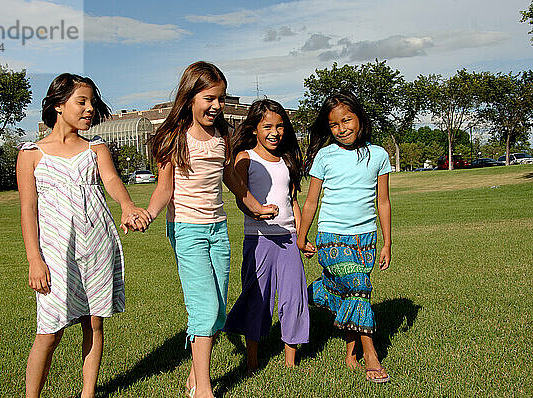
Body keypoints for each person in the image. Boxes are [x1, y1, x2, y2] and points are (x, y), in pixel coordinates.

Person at [143, 61, 278, 398]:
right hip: (187, 230)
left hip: (217, 230)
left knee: (216, 308)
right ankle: (203, 389)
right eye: (210, 98)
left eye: (221, 98)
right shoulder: (173, 137)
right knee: (204, 309)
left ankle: (193, 377)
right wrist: (148, 213)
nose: (217, 105)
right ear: (190, 96)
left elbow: (231, 178)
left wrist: (255, 206)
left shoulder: (222, 136)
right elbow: (164, 189)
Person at [16, 73, 151, 398]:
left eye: (92, 102)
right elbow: (28, 211)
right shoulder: (31, 153)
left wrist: (129, 206)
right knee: (49, 332)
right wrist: (35, 259)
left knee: (94, 323)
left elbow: (113, 182)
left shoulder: (96, 148)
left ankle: (88, 394)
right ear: (59, 105)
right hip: (55, 255)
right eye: (82, 101)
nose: (90, 108)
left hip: (97, 249)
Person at [296, 92, 392, 383]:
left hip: (366, 239)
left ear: (359, 117)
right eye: (334, 124)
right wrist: (302, 237)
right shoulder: (325, 156)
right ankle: (371, 355)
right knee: (359, 286)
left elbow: (383, 202)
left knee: (351, 292)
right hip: (332, 237)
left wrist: (387, 242)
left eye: (347, 119)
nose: (342, 128)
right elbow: (311, 202)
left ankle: (324, 293)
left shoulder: (379, 155)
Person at [223, 99, 309, 372]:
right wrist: (256, 211)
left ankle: (290, 362)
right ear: (254, 129)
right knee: (257, 299)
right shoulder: (246, 157)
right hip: (258, 239)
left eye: (280, 126)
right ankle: (252, 361)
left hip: (288, 240)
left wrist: (302, 236)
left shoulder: (287, 160)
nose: (275, 132)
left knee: (294, 298)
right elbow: (240, 195)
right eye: (268, 126)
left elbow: (293, 200)